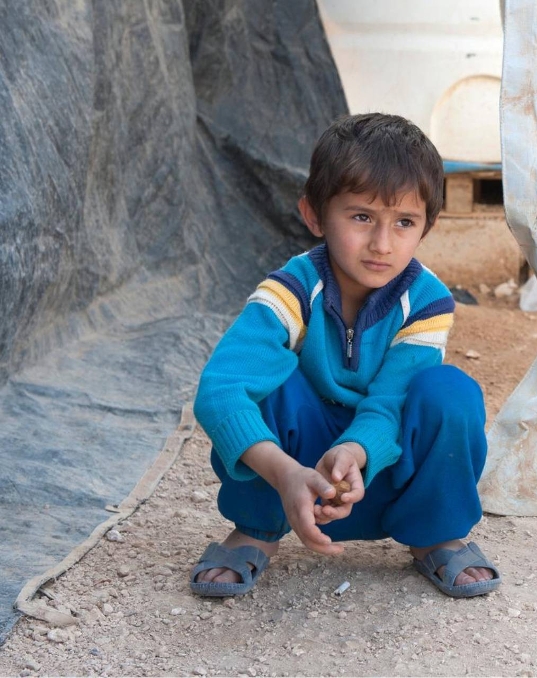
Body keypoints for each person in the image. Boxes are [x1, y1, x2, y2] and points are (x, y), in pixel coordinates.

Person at [189, 113, 500, 599]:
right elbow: (220, 390)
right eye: (361, 217)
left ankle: (435, 533)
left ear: (426, 227)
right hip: (294, 480)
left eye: (404, 222)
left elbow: (392, 404)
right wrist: (285, 472)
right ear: (314, 215)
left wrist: (355, 452)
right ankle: (257, 530)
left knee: (450, 392)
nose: (382, 243)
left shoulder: (427, 301)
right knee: (269, 378)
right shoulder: (292, 289)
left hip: (379, 466)